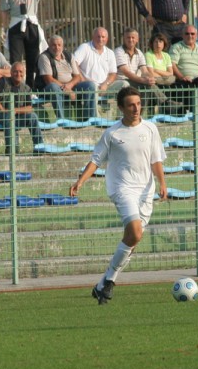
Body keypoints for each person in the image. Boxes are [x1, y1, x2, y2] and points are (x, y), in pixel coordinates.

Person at [69, 86, 168, 305]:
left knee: (133, 240)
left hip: (145, 191)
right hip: (123, 189)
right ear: (121, 107)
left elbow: (156, 160)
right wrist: (80, 181)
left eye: (139, 104)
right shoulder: (112, 133)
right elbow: (96, 160)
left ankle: (103, 284)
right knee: (134, 233)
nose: (136, 108)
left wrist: (162, 183)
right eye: (131, 105)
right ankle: (109, 283)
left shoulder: (150, 129)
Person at [1, 0, 53, 88]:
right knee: (16, 59)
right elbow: (3, 11)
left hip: (31, 25)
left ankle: (31, 88)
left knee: (33, 59)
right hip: (16, 25)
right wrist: (2, 29)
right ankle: (15, 88)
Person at [0, 61, 44, 152]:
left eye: (21, 72)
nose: (18, 74)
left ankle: (39, 147)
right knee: (9, 116)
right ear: (11, 72)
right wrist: (2, 109)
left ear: (24, 73)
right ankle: (11, 149)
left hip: (18, 118)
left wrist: (14, 110)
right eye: (15, 71)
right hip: (1, 116)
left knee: (33, 116)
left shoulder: (26, 88)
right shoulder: (3, 81)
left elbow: (29, 108)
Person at [73, 27, 126, 120]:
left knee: (124, 85)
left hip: (105, 86)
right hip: (87, 86)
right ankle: (95, 121)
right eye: (98, 36)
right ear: (93, 37)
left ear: (107, 39)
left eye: (103, 37)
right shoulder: (85, 47)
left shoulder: (110, 53)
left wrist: (106, 84)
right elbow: (73, 62)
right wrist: (82, 79)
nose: (100, 39)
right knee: (91, 86)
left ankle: (122, 118)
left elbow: (113, 73)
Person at [38, 34, 93, 121]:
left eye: (59, 45)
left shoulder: (69, 55)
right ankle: (61, 120)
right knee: (54, 87)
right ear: (49, 45)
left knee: (90, 85)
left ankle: (90, 119)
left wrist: (69, 86)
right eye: (54, 45)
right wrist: (67, 90)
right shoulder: (44, 57)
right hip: (50, 88)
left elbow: (77, 76)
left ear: (62, 46)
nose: (57, 47)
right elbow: (49, 79)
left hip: (70, 86)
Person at [115, 28, 169, 114]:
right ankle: (166, 104)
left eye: (133, 37)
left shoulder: (139, 52)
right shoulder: (118, 51)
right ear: (124, 39)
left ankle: (141, 114)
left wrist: (150, 78)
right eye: (128, 37)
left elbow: (144, 70)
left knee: (149, 84)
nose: (130, 40)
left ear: (137, 39)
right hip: (121, 81)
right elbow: (126, 72)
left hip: (134, 81)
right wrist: (143, 80)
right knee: (143, 84)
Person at [169, 25, 198, 109]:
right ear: (183, 35)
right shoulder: (176, 47)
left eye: (192, 34)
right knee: (193, 85)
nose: (190, 36)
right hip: (184, 80)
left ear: (196, 36)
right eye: (187, 34)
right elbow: (172, 65)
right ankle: (195, 112)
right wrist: (182, 77)